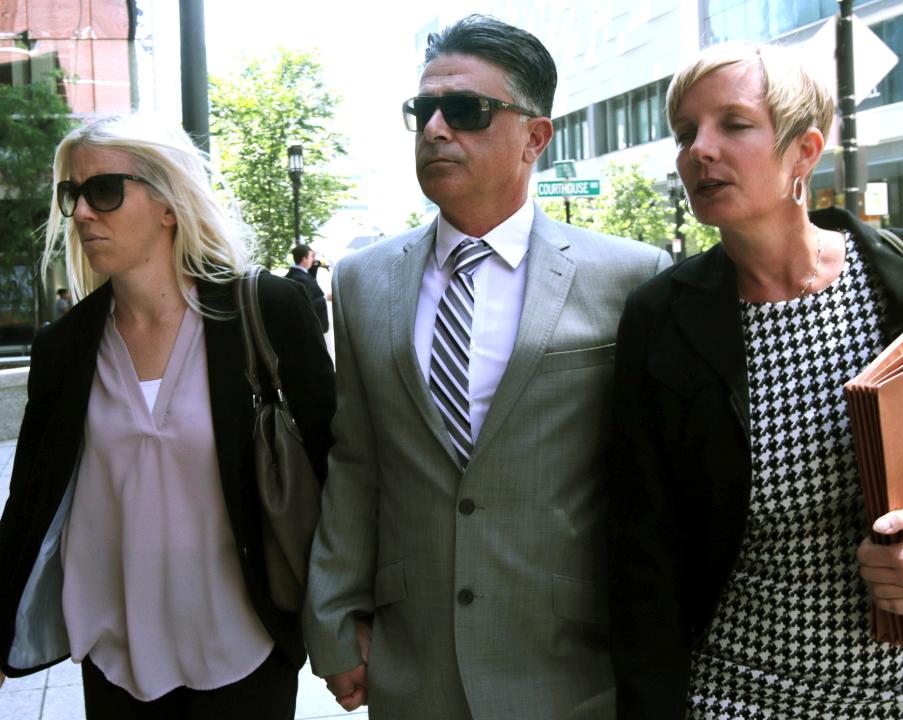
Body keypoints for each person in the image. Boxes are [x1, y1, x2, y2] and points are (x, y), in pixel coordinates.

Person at [301, 14, 670, 720]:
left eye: (466, 110)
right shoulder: (360, 280)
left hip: (571, 665)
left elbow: (648, 482)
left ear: (536, 137)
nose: (437, 128)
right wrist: (334, 615)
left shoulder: (629, 277)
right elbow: (357, 462)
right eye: (424, 110)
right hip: (415, 664)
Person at [608, 42, 903, 718]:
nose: (698, 151)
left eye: (733, 124)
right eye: (686, 133)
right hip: (744, 690)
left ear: (805, 151)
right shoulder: (662, 318)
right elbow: (641, 549)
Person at [0, 113, 336, 719]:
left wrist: (346, 622)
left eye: (104, 191)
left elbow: (337, 472)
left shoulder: (265, 312)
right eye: (71, 194)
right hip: (113, 664)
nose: (81, 213)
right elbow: (28, 503)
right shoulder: (67, 348)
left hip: (247, 657)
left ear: (168, 204)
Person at [285, 244, 330, 334]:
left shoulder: (299, 273)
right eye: (311, 256)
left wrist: (312, 254)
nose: (313, 259)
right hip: (311, 329)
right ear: (304, 259)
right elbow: (307, 305)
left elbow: (315, 265)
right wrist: (326, 298)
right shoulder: (300, 278)